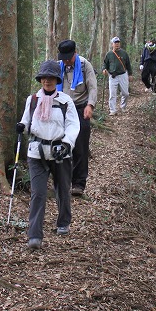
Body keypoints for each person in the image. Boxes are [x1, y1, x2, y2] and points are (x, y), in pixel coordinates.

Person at [16, 60, 80, 250]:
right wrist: (21, 126)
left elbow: (73, 125)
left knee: (63, 189)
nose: (47, 81)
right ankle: (34, 235)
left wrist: (67, 144)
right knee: (38, 193)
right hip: (36, 153)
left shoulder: (65, 101)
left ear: (56, 79)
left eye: (51, 78)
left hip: (60, 152)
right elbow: (26, 121)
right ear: (40, 79)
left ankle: (63, 222)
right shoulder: (33, 100)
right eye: (44, 77)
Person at [56, 39, 97, 197]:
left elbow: (92, 87)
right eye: (63, 57)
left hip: (80, 108)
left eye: (68, 57)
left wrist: (90, 105)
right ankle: (62, 180)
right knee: (61, 145)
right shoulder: (59, 66)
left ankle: (78, 183)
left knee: (80, 147)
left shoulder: (85, 65)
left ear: (75, 53)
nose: (66, 61)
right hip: (62, 109)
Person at [102, 36, 133, 115]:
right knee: (112, 94)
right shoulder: (109, 54)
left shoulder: (124, 53)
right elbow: (105, 64)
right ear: (112, 44)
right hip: (113, 76)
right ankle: (112, 110)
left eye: (118, 43)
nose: (117, 44)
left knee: (125, 93)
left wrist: (130, 74)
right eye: (115, 43)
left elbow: (128, 64)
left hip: (123, 75)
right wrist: (104, 70)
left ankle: (123, 107)